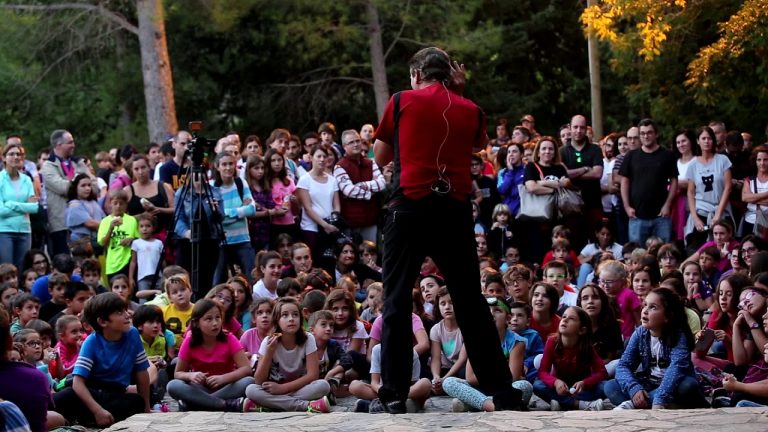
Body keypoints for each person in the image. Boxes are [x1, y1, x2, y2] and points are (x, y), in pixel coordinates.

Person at [372, 47, 521, 413]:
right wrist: (458, 92)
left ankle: (393, 394)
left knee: (394, 301)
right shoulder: (469, 109)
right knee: (470, 301)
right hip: (452, 211)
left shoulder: (401, 100)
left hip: (407, 207)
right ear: (449, 75)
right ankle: (502, 391)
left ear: (417, 73)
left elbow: (380, 156)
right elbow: (478, 144)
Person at [53, 293, 150, 427]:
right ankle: (88, 418)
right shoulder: (91, 342)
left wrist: (146, 409)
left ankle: (91, 419)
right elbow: (78, 383)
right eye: (119, 312)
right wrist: (97, 410)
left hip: (115, 394)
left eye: (125, 310)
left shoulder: (132, 334)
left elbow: (142, 372)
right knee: (63, 398)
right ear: (103, 322)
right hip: (91, 393)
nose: (127, 315)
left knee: (137, 402)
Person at [605, 287, 708, 410]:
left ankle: (635, 405)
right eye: (645, 305)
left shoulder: (679, 336)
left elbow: (676, 369)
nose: (645, 311)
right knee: (610, 386)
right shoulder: (640, 333)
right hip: (649, 384)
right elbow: (623, 366)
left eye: (653, 307)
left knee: (688, 385)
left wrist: (660, 398)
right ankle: (657, 404)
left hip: (674, 384)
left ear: (667, 316)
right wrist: (634, 388)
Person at [244, 297, 332, 413]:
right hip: (274, 389)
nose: (291, 319)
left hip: (299, 388)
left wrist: (282, 389)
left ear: (300, 318)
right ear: (277, 320)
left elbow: (312, 375)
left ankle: (270, 405)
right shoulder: (268, 341)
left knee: (323, 386)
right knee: (251, 390)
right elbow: (259, 380)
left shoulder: (308, 338)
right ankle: (306, 406)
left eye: (295, 315)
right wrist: (269, 352)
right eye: (285, 315)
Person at [166, 299, 254, 412]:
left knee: (249, 381)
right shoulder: (189, 342)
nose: (215, 323)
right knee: (173, 385)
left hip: (226, 387)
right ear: (196, 323)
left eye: (218, 317)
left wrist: (223, 378)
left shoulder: (229, 338)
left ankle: (195, 404)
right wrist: (191, 376)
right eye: (209, 319)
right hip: (199, 388)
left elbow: (246, 369)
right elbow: (178, 373)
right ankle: (224, 405)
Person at [533, 306, 607, 411]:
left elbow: (602, 372)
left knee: (604, 386)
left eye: (571, 318)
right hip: (560, 389)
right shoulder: (552, 342)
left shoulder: (586, 347)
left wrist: (585, 383)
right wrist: (555, 382)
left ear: (582, 330)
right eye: (563, 316)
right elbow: (542, 372)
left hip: (580, 391)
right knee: (537, 385)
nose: (565, 320)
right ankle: (579, 405)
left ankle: (562, 403)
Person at [619, 118, 678, 244]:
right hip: (637, 215)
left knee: (663, 253)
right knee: (637, 255)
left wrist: (668, 204)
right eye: (643, 133)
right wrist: (627, 206)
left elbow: (674, 181)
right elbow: (624, 182)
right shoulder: (631, 156)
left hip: (661, 216)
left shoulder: (667, 155)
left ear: (656, 134)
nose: (646, 136)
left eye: (649, 132)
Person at [41, 130, 91, 257]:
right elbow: (62, 188)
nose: (73, 145)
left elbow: (93, 184)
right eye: (70, 142)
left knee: (85, 259)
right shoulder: (48, 166)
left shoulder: (78, 162)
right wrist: (80, 183)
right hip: (61, 224)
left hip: (84, 221)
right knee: (64, 261)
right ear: (58, 145)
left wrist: (79, 184)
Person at [685, 126, 733, 252]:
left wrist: (718, 215)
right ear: (697, 141)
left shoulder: (723, 160)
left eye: (709, 138)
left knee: (723, 247)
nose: (707, 141)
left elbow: (728, 187)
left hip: (720, 209)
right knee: (699, 249)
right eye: (703, 138)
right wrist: (695, 218)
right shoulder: (693, 164)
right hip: (701, 211)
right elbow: (690, 192)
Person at [333, 129, 386, 243]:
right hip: (351, 223)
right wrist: (370, 192)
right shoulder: (340, 167)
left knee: (371, 254)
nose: (356, 144)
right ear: (344, 146)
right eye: (351, 142)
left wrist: (362, 185)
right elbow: (349, 191)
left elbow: (382, 184)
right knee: (354, 256)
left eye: (358, 141)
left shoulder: (370, 163)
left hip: (371, 220)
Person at [212, 151, 256, 284]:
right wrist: (239, 211)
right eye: (224, 164)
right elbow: (214, 216)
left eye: (231, 164)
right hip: (221, 241)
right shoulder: (213, 188)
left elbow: (251, 209)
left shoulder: (240, 183)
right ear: (217, 166)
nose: (228, 168)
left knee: (250, 278)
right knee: (218, 280)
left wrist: (225, 213)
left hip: (242, 240)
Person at [0, 143, 39, 271]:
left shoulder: (27, 179)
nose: (15, 157)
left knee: (22, 270)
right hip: (4, 230)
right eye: (11, 154)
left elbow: (34, 208)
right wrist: (24, 206)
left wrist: (10, 204)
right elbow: (1, 211)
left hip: (24, 230)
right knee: (7, 269)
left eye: (18, 154)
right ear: (4, 158)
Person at [97, 189, 139, 280]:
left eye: (121, 203)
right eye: (115, 203)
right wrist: (111, 228)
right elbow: (103, 243)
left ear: (126, 205)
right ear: (110, 204)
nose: (118, 206)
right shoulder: (105, 222)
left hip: (129, 262)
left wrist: (132, 239)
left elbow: (139, 240)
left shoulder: (132, 220)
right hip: (112, 264)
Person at [66, 173, 106, 255]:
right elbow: (90, 223)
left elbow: (103, 218)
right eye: (83, 186)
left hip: (97, 241)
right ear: (75, 188)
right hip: (82, 243)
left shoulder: (93, 202)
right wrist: (110, 225)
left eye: (89, 185)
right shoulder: (74, 204)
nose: (87, 188)